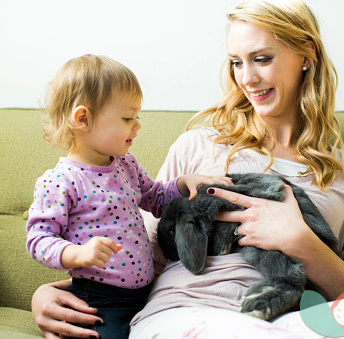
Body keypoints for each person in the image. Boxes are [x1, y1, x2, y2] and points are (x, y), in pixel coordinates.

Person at [31, 2, 344, 338]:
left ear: (306, 55)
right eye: (236, 63)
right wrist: (52, 292)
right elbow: (134, 251)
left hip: (286, 321)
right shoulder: (198, 146)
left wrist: (302, 243)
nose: (247, 78)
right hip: (186, 316)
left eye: (262, 59)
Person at [26, 54, 231, 339]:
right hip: (100, 301)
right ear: (83, 118)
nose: (137, 125)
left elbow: (157, 199)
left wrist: (184, 183)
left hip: (144, 296)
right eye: (127, 118)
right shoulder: (60, 181)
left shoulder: (125, 164)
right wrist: (76, 254)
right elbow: (38, 239)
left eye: (137, 116)